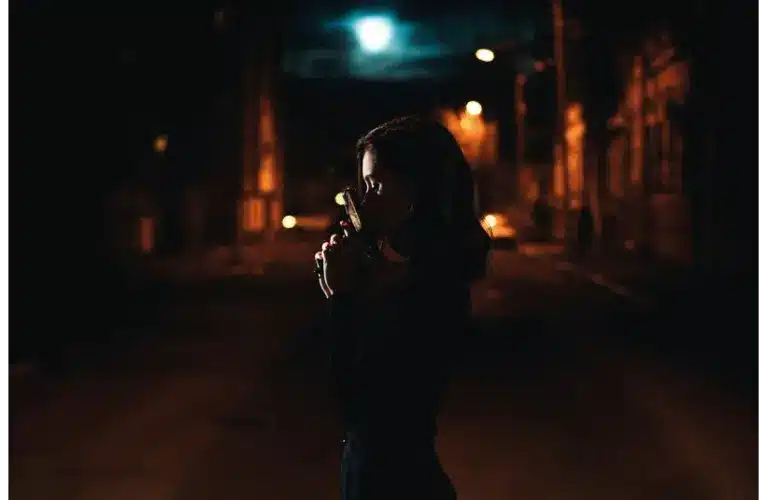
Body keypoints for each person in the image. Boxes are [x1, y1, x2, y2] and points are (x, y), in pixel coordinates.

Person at [314, 116, 490, 500]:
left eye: (376, 185)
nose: (364, 201)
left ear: (418, 193)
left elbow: (359, 407)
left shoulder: (432, 290)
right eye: (363, 187)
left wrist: (342, 300)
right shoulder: (400, 276)